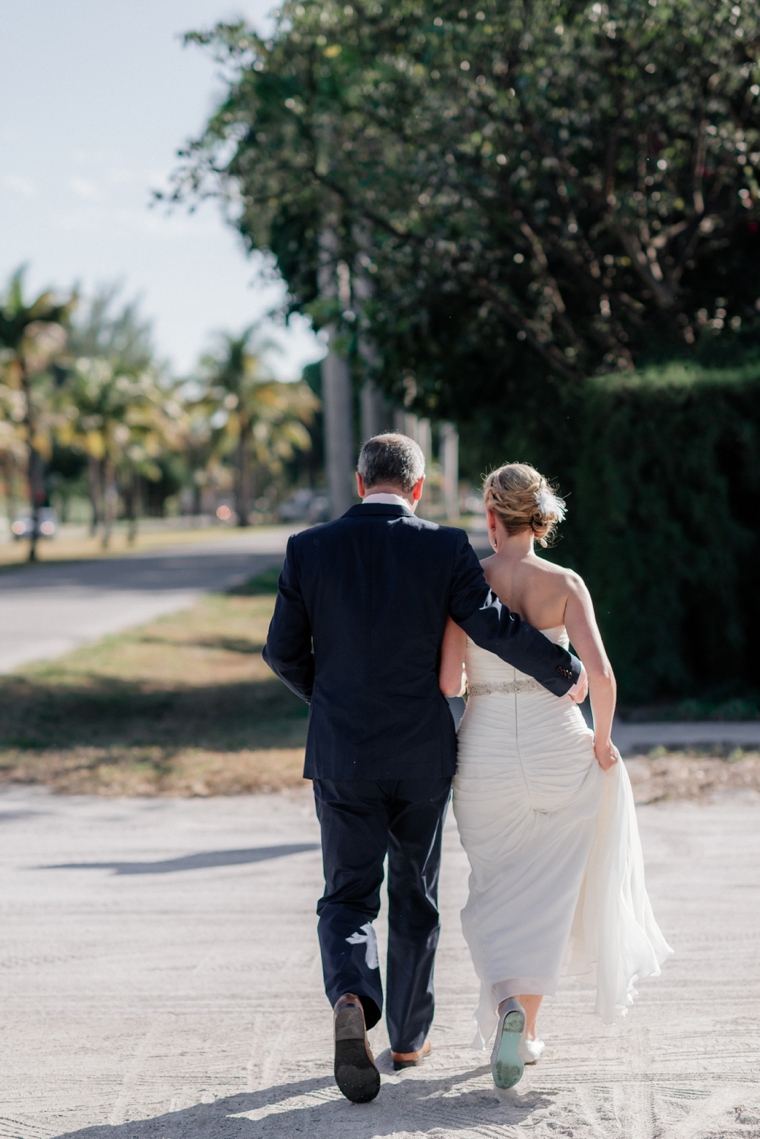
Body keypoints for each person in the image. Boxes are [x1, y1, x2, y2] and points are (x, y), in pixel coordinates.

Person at [263, 435, 588, 1103]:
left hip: (342, 752)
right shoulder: (443, 547)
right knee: (415, 892)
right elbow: (492, 623)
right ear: (415, 489)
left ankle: (352, 994)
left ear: (360, 482)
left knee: (348, 894)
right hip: (421, 753)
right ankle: (408, 1037)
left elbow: (281, 651)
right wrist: (562, 670)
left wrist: (329, 701)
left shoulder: (308, 548)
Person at [440, 462, 672, 1090]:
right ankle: (525, 1026)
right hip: (557, 747)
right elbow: (601, 678)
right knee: (548, 893)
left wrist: (476, 679)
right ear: (540, 517)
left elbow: (446, 682)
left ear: (491, 517)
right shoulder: (565, 582)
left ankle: (514, 1013)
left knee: (496, 889)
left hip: (485, 749)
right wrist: (600, 745)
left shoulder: (468, 580)